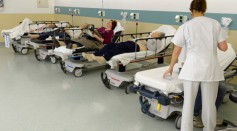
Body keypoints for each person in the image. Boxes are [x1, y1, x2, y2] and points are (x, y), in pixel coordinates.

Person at [163, 0, 228, 131]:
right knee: (209, 105)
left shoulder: (186, 26)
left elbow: (176, 50)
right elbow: (224, 47)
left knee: (188, 104)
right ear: (205, 8)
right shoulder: (215, 24)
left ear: (191, 9)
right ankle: (209, 128)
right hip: (210, 69)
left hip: (192, 69)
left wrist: (170, 68)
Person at [82, 31, 165, 64]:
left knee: (121, 47)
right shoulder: (150, 37)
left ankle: (104, 58)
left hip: (138, 47)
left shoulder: (158, 42)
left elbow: (153, 50)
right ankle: (94, 55)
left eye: (156, 33)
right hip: (133, 43)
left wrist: (152, 39)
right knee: (111, 45)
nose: (154, 33)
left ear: (159, 36)